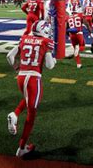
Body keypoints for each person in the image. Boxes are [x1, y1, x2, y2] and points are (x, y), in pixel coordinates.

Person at [6, 20, 56, 157]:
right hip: (34, 78)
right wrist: (53, 58)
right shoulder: (46, 42)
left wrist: (16, 68)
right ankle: (22, 148)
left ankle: (15, 114)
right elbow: (50, 65)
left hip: (21, 77)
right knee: (31, 114)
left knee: (28, 99)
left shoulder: (25, 38)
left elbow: (9, 56)